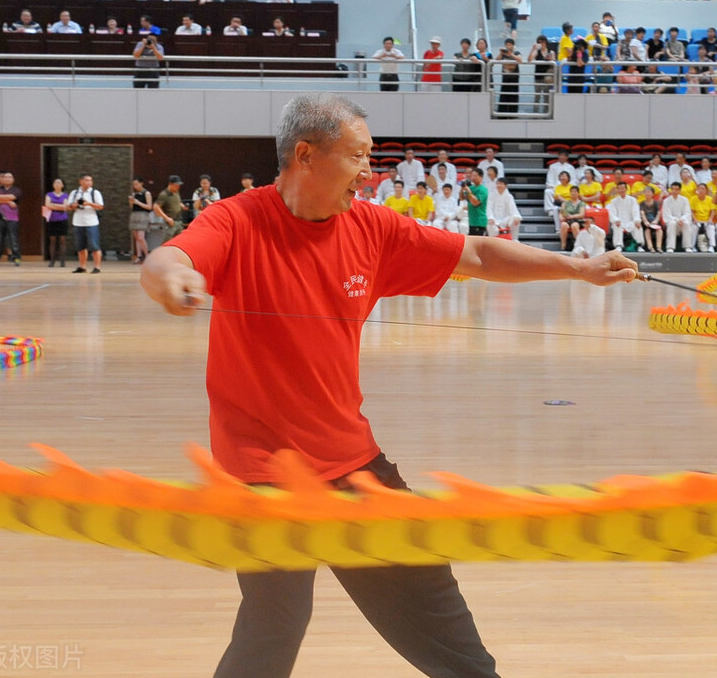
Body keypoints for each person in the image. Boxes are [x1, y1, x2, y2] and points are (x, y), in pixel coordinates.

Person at [139, 92, 636, 678]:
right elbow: (169, 260)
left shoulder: (372, 228)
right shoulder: (237, 219)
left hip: (352, 461)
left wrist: (577, 268)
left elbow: (475, 253)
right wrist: (175, 285)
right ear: (305, 155)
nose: (368, 172)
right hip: (263, 473)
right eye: (357, 157)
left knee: (436, 613)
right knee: (272, 630)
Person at [67, 174, 104, 274]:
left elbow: (100, 206)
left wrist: (88, 203)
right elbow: (69, 207)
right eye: (87, 180)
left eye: (90, 181)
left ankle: (97, 266)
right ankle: (82, 266)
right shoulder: (74, 193)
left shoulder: (95, 192)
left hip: (91, 222)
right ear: (81, 181)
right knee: (80, 246)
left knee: (94, 245)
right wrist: (76, 204)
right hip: (78, 222)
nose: (89, 182)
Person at [153, 175, 187, 241]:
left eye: (179, 185)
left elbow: (178, 202)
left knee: (179, 241)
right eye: (176, 185)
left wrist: (182, 206)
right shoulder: (164, 194)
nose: (178, 187)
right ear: (170, 184)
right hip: (170, 223)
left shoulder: (176, 192)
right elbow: (156, 207)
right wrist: (167, 218)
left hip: (179, 221)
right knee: (168, 241)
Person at [128, 176, 153, 264]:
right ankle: (139, 256)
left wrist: (138, 202)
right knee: (136, 238)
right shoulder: (134, 194)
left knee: (141, 237)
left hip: (143, 215)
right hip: (135, 215)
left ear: (141, 183)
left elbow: (149, 207)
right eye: (134, 184)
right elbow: (132, 207)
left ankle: (147, 256)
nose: (135, 186)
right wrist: (131, 203)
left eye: (137, 184)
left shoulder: (147, 193)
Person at [495, 39, 521, 115]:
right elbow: (497, 59)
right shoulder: (503, 54)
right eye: (507, 44)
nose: (508, 46)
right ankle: (502, 113)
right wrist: (501, 53)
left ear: (513, 46)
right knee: (504, 95)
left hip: (514, 78)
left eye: (509, 44)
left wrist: (511, 54)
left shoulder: (516, 53)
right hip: (505, 78)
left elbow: (520, 59)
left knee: (513, 96)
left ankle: (513, 113)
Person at [460, 168, 488, 235]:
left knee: (479, 244)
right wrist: (462, 189)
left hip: (479, 221)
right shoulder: (471, 187)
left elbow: (475, 203)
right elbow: (462, 198)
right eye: (472, 176)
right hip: (471, 220)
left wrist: (469, 191)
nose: (473, 177)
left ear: (481, 177)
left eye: (475, 176)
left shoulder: (483, 189)